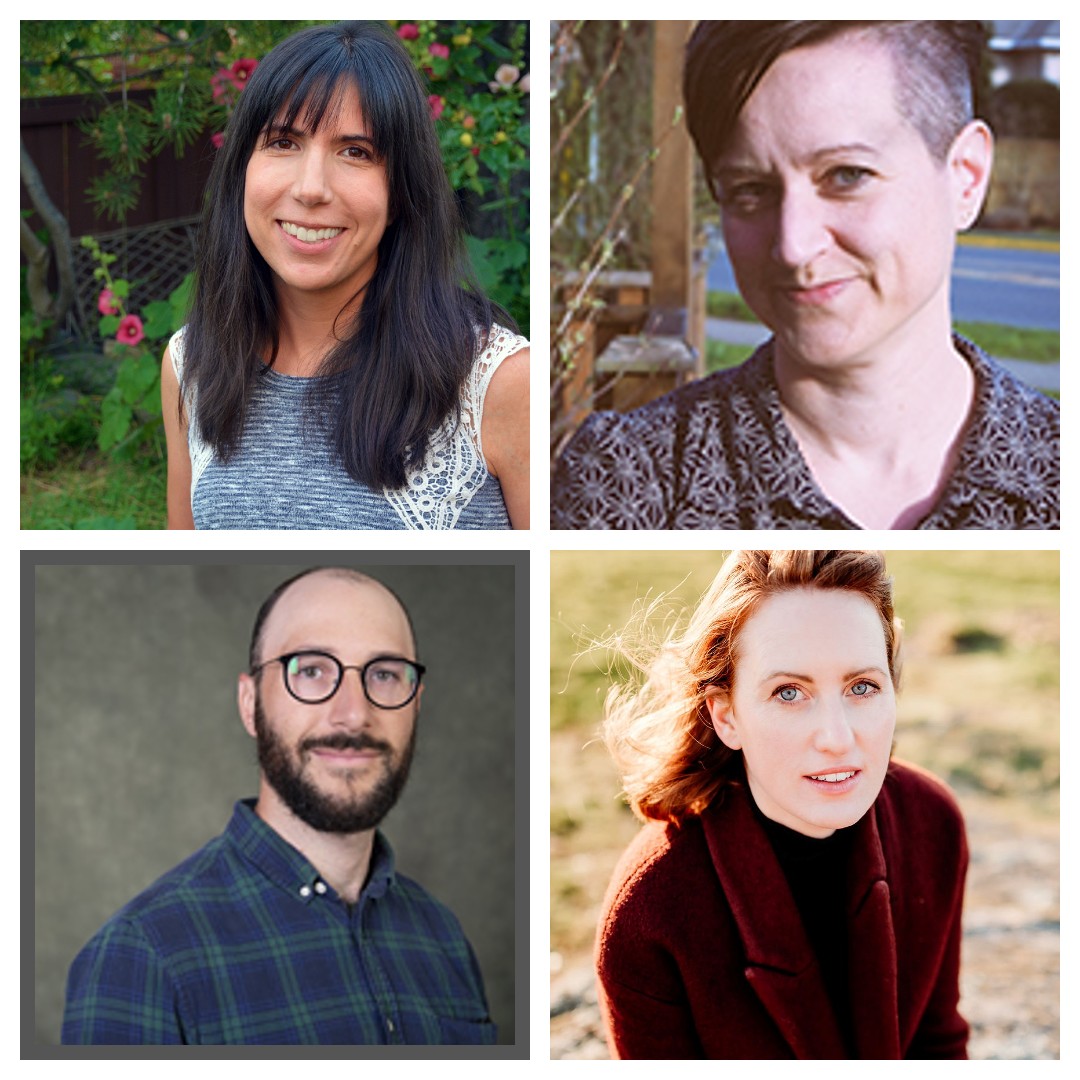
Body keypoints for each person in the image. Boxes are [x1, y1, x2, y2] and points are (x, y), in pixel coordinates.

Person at [551, 21, 1058, 530]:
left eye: (846, 176)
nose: (793, 246)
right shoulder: (629, 481)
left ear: (966, 177)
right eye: (751, 190)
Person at [62, 567, 496, 1045]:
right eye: (311, 670)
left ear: (416, 703)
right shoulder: (141, 958)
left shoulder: (441, 936)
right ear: (250, 704)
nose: (354, 712)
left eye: (385, 675)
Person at [595, 550, 968, 1059]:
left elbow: (938, 1044)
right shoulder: (650, 909)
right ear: (726, 716)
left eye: (862, 687)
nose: (837, 738)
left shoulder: (933, 822)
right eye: (789, 693)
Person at [162, 22, 529, 530]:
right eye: (283, 142)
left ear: (401, 191)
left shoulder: (501, 381)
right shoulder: (190, 364)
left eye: (356, 151)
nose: (311, 188)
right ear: (242, 168)